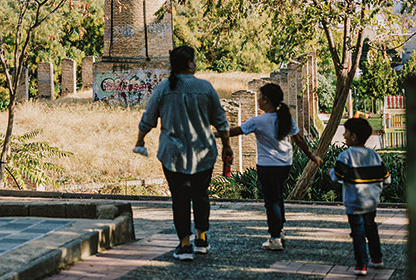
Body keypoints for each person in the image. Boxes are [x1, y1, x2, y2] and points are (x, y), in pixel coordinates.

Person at [135, 45, 232, 261]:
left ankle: (185, 244)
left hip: (172, 154)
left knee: (179, 199)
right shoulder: (205, 88)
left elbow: (148, 119)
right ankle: (202, 239)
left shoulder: (163, 89)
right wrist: (227, 145)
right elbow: (221, 121)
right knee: (201, 195)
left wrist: (140, 140)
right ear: (189, 63)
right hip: (203, 152)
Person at [228, 83, 324, 251]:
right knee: (278, 197)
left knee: (271, 202)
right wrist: (312, 157)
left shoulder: (258, 121)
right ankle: (279, 229)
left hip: (267, 166)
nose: (258, 100)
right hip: (285, 164)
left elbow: (236, 131)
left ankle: (275, 238)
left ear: (266, 100)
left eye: (260, 97)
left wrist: (213, 134)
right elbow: (299, 140)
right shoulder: (285, 118)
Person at [329, 117, 390, 276]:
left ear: (354, 136)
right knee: (371, 229)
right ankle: (377, 258)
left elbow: (337, 176)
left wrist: (331, 172)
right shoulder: (374, 155)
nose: (343, 135)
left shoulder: (345, 156)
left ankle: (361, 264)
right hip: (371, 201)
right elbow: (386, 178)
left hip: (354, 202)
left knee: (358, 233)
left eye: (346, 132)